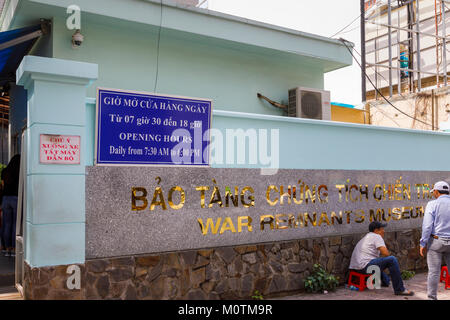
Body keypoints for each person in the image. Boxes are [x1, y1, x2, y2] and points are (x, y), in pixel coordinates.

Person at [349, 221, 414, 296]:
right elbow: (385, 253)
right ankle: (399, 289)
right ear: (376, 230)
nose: (384, 231)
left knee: (385, 277)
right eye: (382, 229)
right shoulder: (376, 236)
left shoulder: (366, 237)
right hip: (365, 268)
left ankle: (385, 281)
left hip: (356, 269)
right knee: (392, 260)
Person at [419, 181, 450, 300]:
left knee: (433, 272)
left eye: (434, 192)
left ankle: (432, 298)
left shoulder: (432, 204)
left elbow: (427, 226)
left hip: (436, 242)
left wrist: (423, 242)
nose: (433, 194)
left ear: (436, 192)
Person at [1, 155, 20, 258]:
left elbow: (3, 186)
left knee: (6, 224)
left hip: (5, 199)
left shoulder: (4, 171)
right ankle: (14, 249)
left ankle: (5, 248)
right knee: (15, 225)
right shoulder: (20, 172)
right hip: (16, 199)